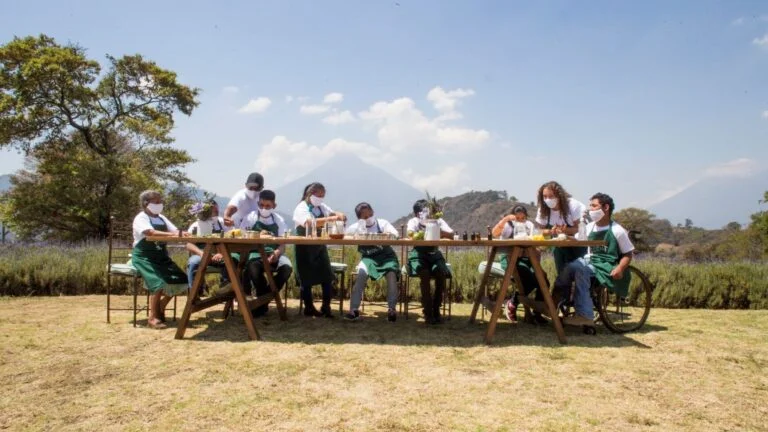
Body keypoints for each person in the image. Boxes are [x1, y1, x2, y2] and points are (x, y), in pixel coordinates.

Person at [553, 193, 634, 327]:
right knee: (568, 268)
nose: (591, 209)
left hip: (607, 264)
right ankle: (556, 302)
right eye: (590, 205)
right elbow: (578, 239)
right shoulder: (590, 227)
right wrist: (564, 235)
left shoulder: (618, 230)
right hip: (590, 261)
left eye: (594, 206)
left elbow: (628, 253)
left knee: (580, 269)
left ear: (606, 207)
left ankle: (585, 315)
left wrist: (620, 268)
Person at [131, 190, 190, 329]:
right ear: (146, 203)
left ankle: (161, 307)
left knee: (181, 278)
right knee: (158, 282)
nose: (160, 204)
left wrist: (181, 233)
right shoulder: (141, 217)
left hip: (161, 256)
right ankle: (152, 318)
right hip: (144, 257)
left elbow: (175, 231)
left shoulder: (162, 218)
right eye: (156, 202)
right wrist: (173, 234)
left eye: (160, 201)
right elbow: (150, 232)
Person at [292, 182, 346, 318]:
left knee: (326, 276)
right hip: (304, 247)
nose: (321, 198)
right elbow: (309, 222)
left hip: (320, 247)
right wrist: (331, 219)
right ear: (310, 194)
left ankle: (326, 306)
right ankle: (309, 307)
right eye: (318, 195)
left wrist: (340, 215)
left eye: (323, 195)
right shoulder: (301, 207)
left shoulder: (321, 206)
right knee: (306, 278)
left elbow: (333, 213)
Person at [344, 202, 401, 322]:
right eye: (364, 217)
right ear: (359, 219)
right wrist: (355, 236)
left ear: (373, 212)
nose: (368, 218)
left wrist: (387, 236)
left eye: (370, 214)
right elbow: (344, 235)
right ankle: (354, 310)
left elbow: (396, 234)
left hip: (387, 257)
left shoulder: (383, 223)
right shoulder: (356, 227)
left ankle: (392, 310)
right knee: (361, 273)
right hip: (368, 258)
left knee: (391, 274)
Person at [490, 205, 548, 323]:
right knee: (529, 278)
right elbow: (494, 233)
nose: (521, 220)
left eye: (523, 218)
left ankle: (537, 312)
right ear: (513, 217)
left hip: (527, 258)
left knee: (544, 280)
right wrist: (506, 219)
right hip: (509, 258)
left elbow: (534, 239)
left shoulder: (529, 225)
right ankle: (513, 302)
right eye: (518, 218)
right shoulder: (508, 225)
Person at [240, 190, 293, 317]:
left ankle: (262, 301)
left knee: (287, 268)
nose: (264, 208)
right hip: (256, 253)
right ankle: (265, 298)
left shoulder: (279, 220)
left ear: (274, 205)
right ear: (258, 203)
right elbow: (242, 237)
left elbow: (283, 243)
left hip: (275, 253)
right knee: (253, 267)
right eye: (261, 205)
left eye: (268, 206)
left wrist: (276, 253)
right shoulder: (250, 217)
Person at [406, 199, 454, 325]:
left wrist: (437, 230)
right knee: (424, 273)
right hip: (418, 255)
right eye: (424, 212)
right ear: (417, 214)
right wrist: (427, 232)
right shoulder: (413, 222)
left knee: (441, 272)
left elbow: (451, 234)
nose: (428, 214)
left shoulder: (438, 221)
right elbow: (411, 234)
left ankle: (436, 309)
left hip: (434, 254)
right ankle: (428, 311)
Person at [534, 181, 587, 275]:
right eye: (545, 196)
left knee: (577, 270)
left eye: (551, 196)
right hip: (557, 247)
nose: (547, 199)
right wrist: (551, 231)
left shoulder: (572, 205)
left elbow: (581, 229)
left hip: (576, 245)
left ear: (559, 196)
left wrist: (565, 230)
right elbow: (538, 231)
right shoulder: (543, 208)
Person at [185, 199, 231, 293]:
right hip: (201, 254)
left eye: (217, 211)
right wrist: (201, 253)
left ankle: (226, 289)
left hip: (220, 254)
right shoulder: (196, 225)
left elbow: (230, 239)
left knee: (232, 261)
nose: (216, 213)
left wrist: (221, 253)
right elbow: (189, 244)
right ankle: (195, 292)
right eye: (214, 211)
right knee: (193, 263)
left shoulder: (222, 223)